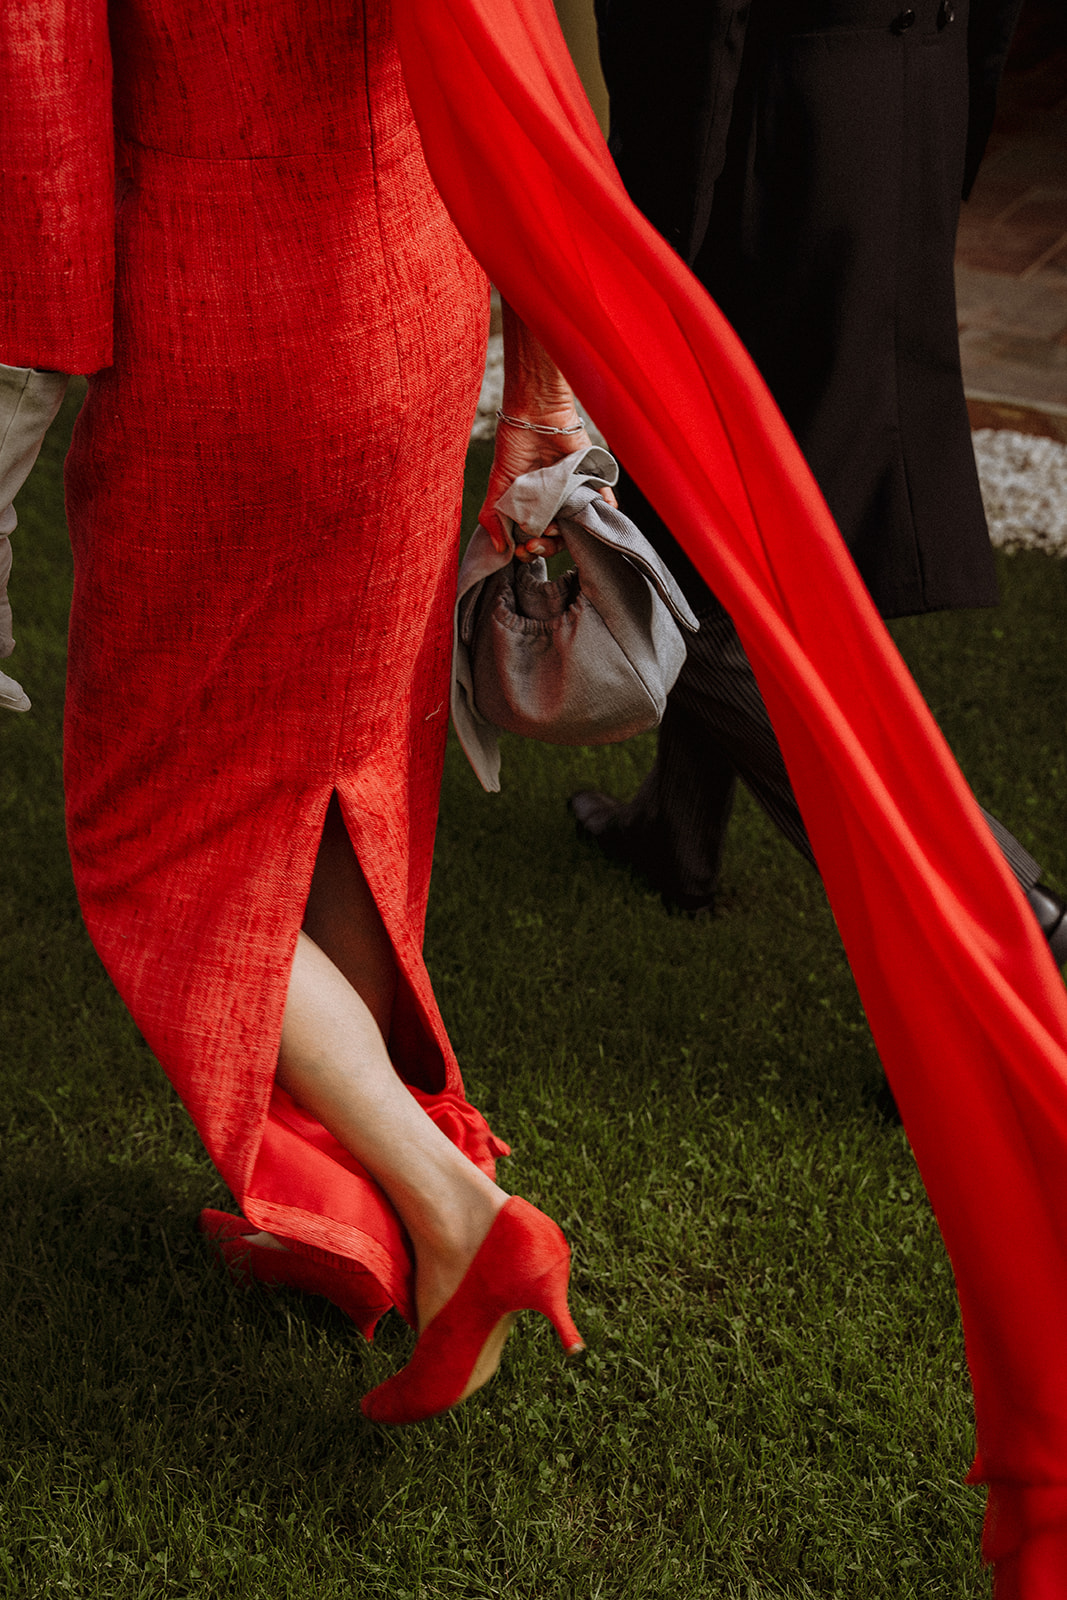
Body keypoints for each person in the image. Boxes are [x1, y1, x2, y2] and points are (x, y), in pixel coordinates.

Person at [0, 0, 589, 1426]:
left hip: (221, 341)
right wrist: (543, 384)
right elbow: (521, 61)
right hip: (412, 298)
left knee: (157, 837)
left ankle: (450, 1209)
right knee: (340, 781)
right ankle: (347, 1219)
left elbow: (45, 167)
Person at [570, 0, 1067, 962]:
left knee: (673, 576)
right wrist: (947, 107)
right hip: (909, 93)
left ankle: (1000, 909)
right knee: (749, 517)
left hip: (774, 132)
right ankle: (677, 830)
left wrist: (649, 229)